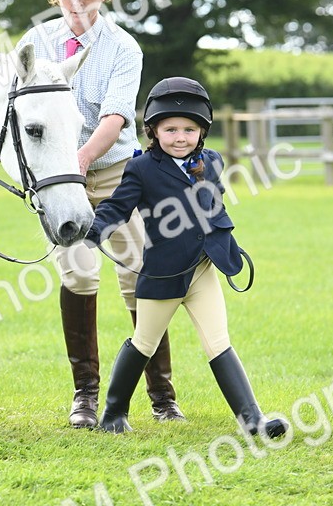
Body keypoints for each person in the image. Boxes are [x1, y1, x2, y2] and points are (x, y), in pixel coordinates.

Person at [17, 0, 183, 428]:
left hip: (115, 173)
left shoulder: (123, 47)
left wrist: (82, 158)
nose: (76, 5)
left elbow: (114, 117)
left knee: (137, 276)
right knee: (79, 276)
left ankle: (162, 396)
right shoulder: (35, 44)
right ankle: (85, 396)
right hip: (60, 180)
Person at [91, 77, 288, 438]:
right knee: (144, 343)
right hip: (163, 275)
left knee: (219, 341)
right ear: (153, 131)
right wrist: (93, 229)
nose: (180, 138)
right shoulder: (141, 168)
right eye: (171, 130)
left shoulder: (211, 161)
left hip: (202, 270)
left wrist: (223, 240)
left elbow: (214, 206)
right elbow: (117, 208)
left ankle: (252, 421)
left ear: (202, 132)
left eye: (189, 130)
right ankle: (113, 413)